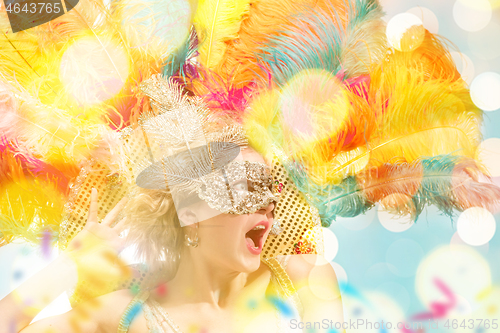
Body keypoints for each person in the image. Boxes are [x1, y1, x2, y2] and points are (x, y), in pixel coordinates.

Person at [0, 142, 344, 332]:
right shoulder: (126, 315)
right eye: (245, 189)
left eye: (270, 189)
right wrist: (69, 267)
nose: (268, 204)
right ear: (190, 214)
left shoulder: (304, 278)